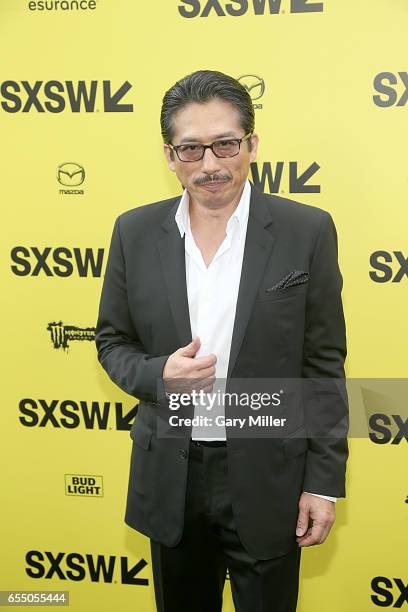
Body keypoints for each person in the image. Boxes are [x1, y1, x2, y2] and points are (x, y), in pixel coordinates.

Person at [95, 69, 348, 612]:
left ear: (251, 145)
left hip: (269, 479)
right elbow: (112, 342)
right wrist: (157, 373)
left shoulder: (307, 230)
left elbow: (323, 364)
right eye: (191, 149)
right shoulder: (133, 233)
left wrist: (323, 484)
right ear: (170, 156)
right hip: (171, 477)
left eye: (225, 145)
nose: (210, 165)